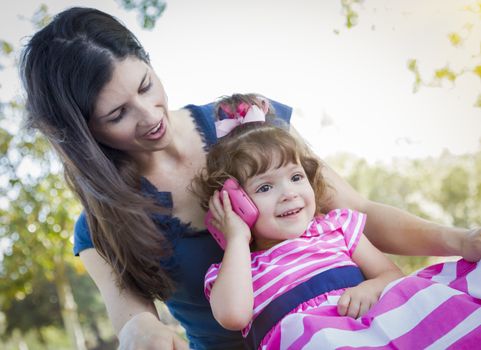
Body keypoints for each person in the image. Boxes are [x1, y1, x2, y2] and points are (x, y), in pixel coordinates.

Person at [19, 6, 481, 350]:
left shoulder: (247, 122)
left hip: (358, 328)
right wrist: (141, 331)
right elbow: (131, 313)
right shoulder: (101, 223)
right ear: (83, 133)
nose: (148, 115)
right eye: (118, 114)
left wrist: (461, 241)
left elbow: (355, 211)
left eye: (144, 85)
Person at [193, 94, 481, 349]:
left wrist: (368, 288)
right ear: (235, 204)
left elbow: (391, 275)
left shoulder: (336, 226)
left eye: (295, 177)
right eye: (265, 187)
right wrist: (237, 239)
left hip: (382, 325)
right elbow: (233, 315)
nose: (289, 194)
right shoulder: (236, 268)